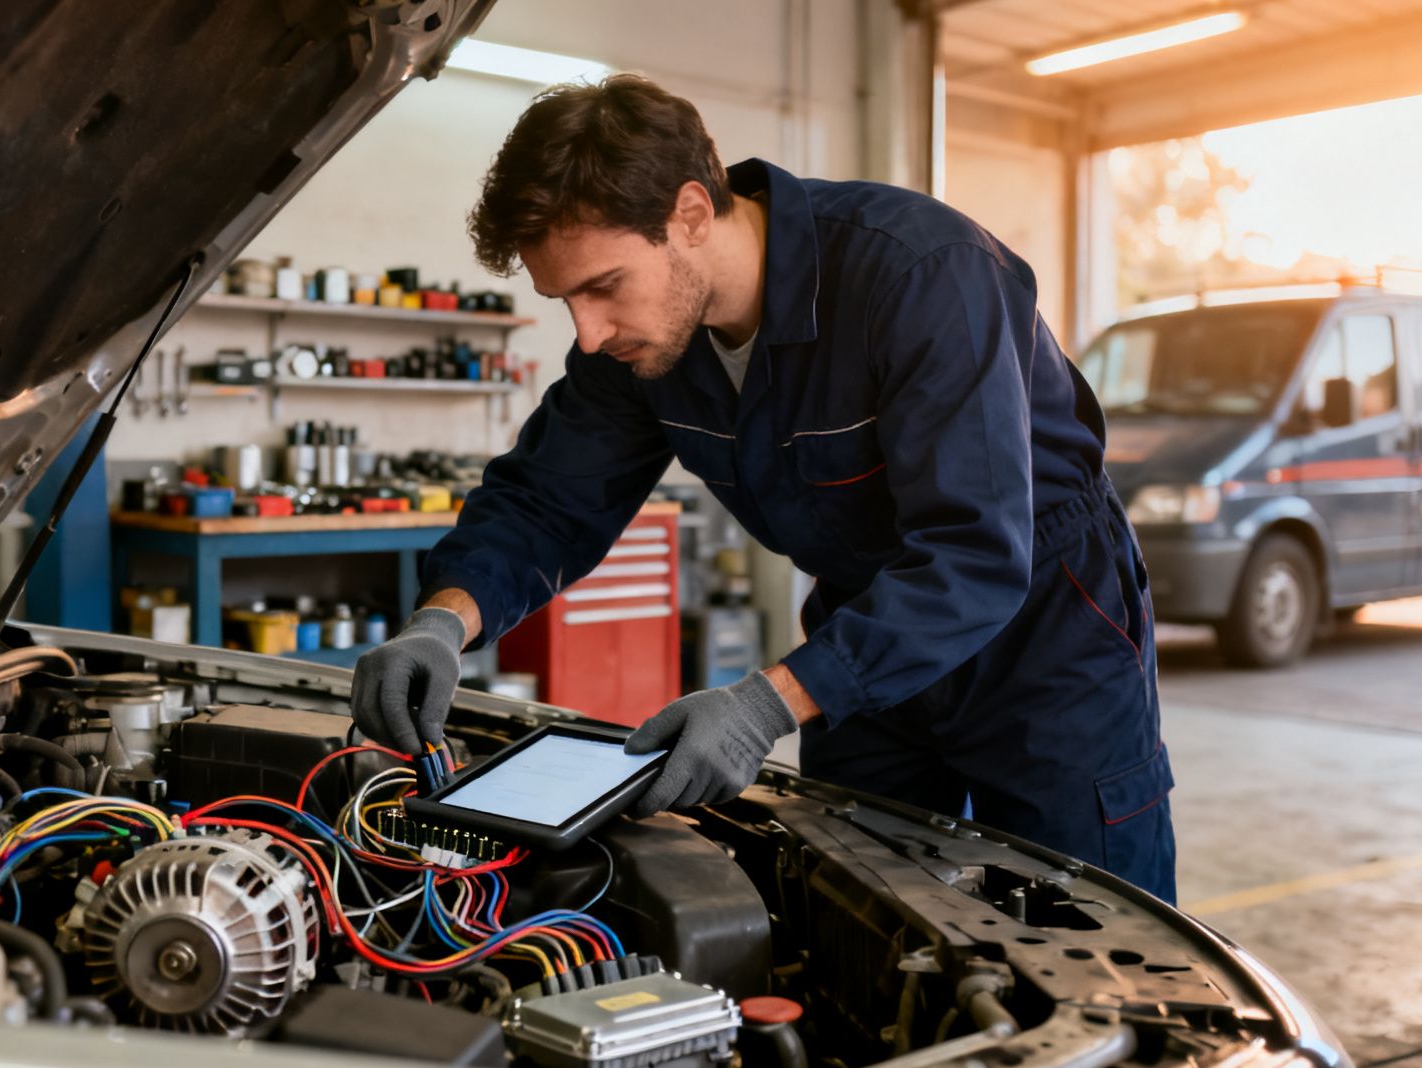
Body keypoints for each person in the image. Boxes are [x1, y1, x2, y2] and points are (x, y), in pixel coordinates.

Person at [350, 75, 1175, 901]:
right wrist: (441, 623)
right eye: (565, 300)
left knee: (1086, 929)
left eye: (603, 286)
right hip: (866, 630)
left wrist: (762, 706)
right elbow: (546, 497)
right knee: (859, 913)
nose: (588, 333)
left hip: (1046, 632)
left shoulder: (924, 275)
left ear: (693, 215)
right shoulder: (643, 346)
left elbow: (975, 555)